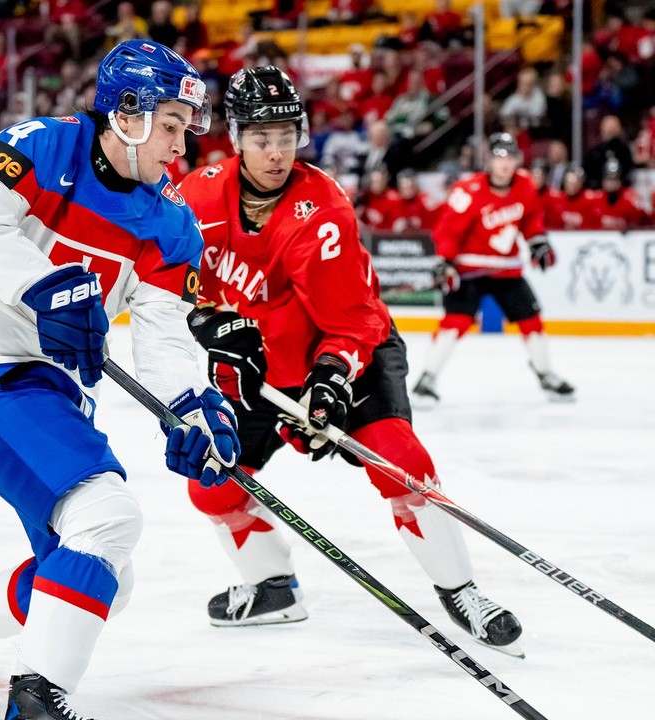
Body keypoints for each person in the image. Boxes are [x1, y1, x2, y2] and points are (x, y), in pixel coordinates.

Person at [0, 40, 241, 720]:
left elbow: (163, 332)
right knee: (108, 517)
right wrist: (43, 286)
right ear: (127, 114)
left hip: (50, 395)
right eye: (170, 125)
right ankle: (37, 703)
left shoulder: (170, 226)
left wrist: (192, 405)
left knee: (105, 571)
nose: (181, 147)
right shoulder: (45, 147)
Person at [176, 66, 523, 655]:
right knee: (211, 483)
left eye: (287, 136)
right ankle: (272, 587)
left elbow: (355, 319)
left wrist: (332, 382)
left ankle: (460, 589)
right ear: (235, 138)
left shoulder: (324, 209)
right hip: (258, 372)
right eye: (262, 138)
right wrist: (200, 316)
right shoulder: (197, 194)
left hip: (346, 354)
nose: (277, 151)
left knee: (399, 460)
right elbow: (168, 278)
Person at [411, 133, 574, 404]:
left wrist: (538, 243)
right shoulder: (468, 190)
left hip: (507, 271)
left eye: (511, 157)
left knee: (531, 320)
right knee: (456, 322)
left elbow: (532, 220)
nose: (505, 164)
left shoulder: (525, 186)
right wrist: (445, 261)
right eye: (499, 158)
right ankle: (427, 378)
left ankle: (546, 374)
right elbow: (448, 230)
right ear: (488, 161)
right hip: (470, 269)